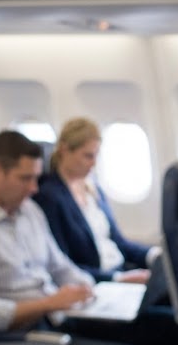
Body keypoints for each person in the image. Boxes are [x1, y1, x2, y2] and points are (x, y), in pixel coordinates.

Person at [0, 130, 178, 345]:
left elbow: (59, 266)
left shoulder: (29, 211)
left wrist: (91, 290)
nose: (34, 188)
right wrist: (48, 303)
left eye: (36, 178)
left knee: (172, 329)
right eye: (25, 178)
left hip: (62, 316)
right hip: (24, 341)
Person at [34, 117, 159, 284]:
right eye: (88, 156)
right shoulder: (49, 197)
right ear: (64, 150)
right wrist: (118, 278)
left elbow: (118, 242)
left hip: (120, 269)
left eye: (96, 156)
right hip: (98, 280)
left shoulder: (92, 188)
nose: (93, 163)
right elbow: (63, 265)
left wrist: (155, 255)